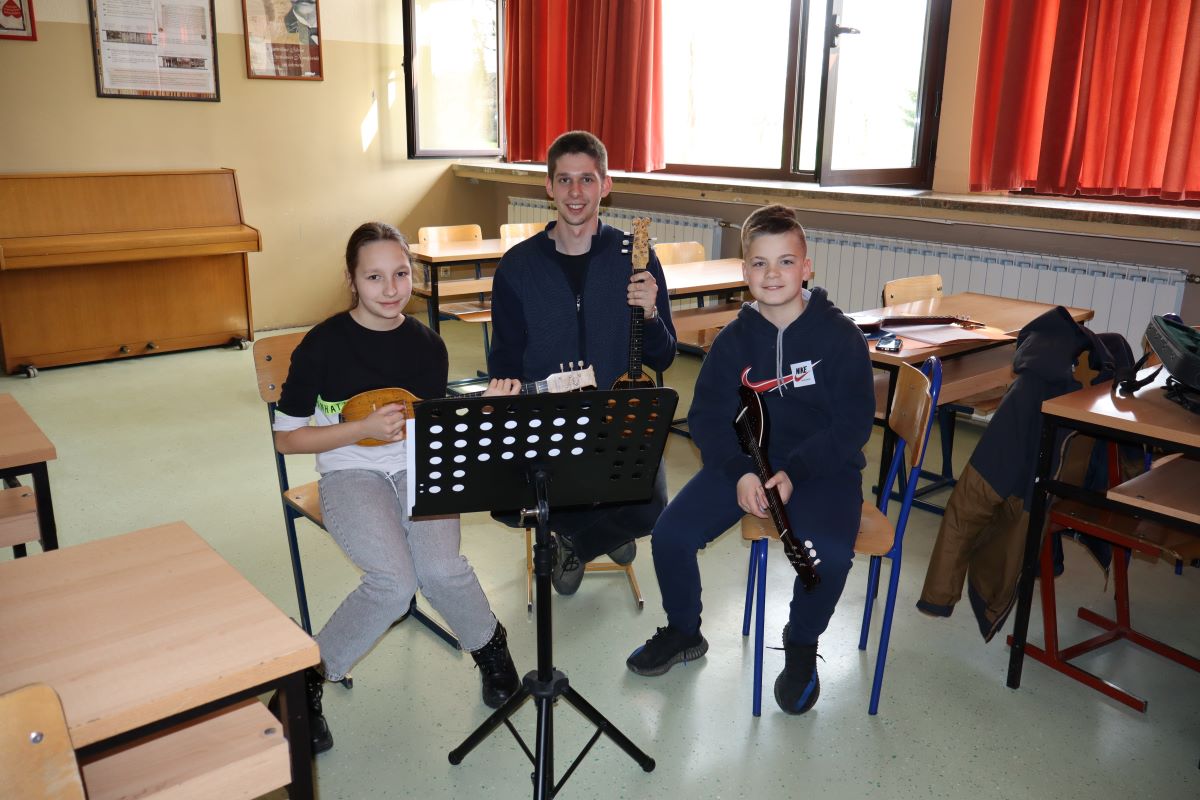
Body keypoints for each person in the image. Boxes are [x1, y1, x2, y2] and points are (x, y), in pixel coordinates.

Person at [272, 221, 521, 754]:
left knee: (441, 568)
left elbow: (432, 424)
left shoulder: (427, 345)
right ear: (351, 280)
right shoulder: (323, 344)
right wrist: (360, 429)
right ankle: (308, 679)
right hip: (349, 470)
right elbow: (286, 439)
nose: (391, 289)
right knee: (393, 582)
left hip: (416, 466)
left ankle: (490, 647)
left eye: (402, 274)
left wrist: (483, 411)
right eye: (375, 277)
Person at [626, 204, 875, 715]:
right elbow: (707, 416)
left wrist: (795, 471)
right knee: (671, 534)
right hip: (746, 463)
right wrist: (741, 471)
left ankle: (801, 641)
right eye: (760, 263)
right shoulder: (733, 340)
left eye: (786, 261)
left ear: (807, 268)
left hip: (821, 468)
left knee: (827, 556)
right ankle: (685, 631)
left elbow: (852, 426)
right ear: (745, 272)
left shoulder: (841, 338)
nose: (772, 274)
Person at [488, 130, 678, 594]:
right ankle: (604, 529)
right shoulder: (517, 266)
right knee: (508, 500)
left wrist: (651, 315)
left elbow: (664, 356)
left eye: (587, 179)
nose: (576, 192)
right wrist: (502, 401)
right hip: (549, 419)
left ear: (605, 186)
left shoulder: (635, 259)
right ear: (548, 187)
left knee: (654, 506)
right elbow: (505, 360)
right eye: (565, 180)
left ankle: (576, 540)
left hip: (618, 418)